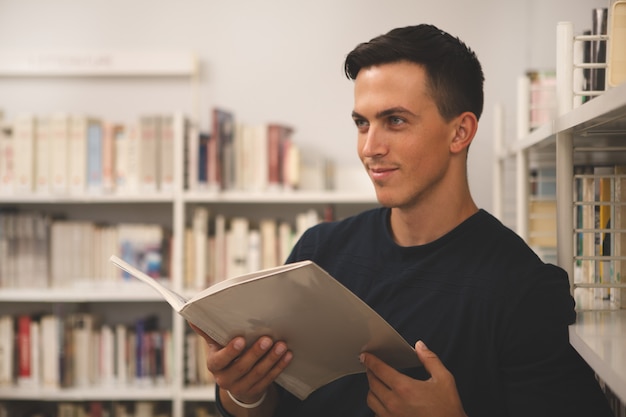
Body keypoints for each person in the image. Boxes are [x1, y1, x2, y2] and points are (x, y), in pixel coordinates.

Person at [191, 24, 614, 417]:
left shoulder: (524, 288)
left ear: (460, 132)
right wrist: (243, 393)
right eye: (362, 123)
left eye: (394, 121)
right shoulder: (316, 253)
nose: (370, 148)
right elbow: (269, 405)